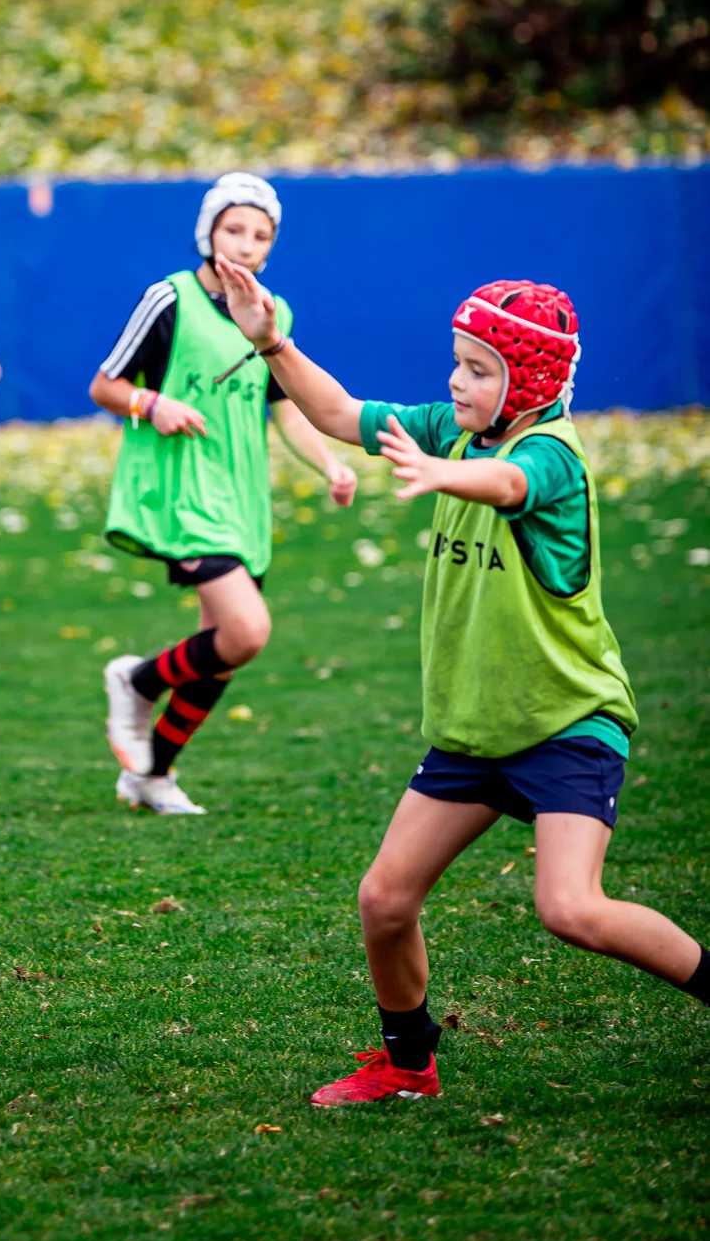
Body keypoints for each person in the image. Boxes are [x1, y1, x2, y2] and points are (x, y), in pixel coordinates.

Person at [212, 264, 710, 1103]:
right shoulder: (449, 430)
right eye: (456, 361)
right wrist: (272, 342)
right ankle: (409, 1067)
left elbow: (509, 483)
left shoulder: (548, 455)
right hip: (477, 728)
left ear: (531, 380)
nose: (456, 379)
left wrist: (448, 475)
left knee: (571, 909)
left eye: (480, 368)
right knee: (384, 899)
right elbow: (335, 414)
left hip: (566, 720)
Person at [90, 173, 356, 816]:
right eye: (235, 228)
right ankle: (135, 679)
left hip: (243, 497)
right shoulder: (169, 299)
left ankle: (152, 774)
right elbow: (105, 386)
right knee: (245, 631)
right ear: (208, 231)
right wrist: (153, 404)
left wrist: (329, 463)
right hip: (181, 490)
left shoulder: (275, 314)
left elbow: (287, 408)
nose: (246, 243)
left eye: (261, 235)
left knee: (222, 652)